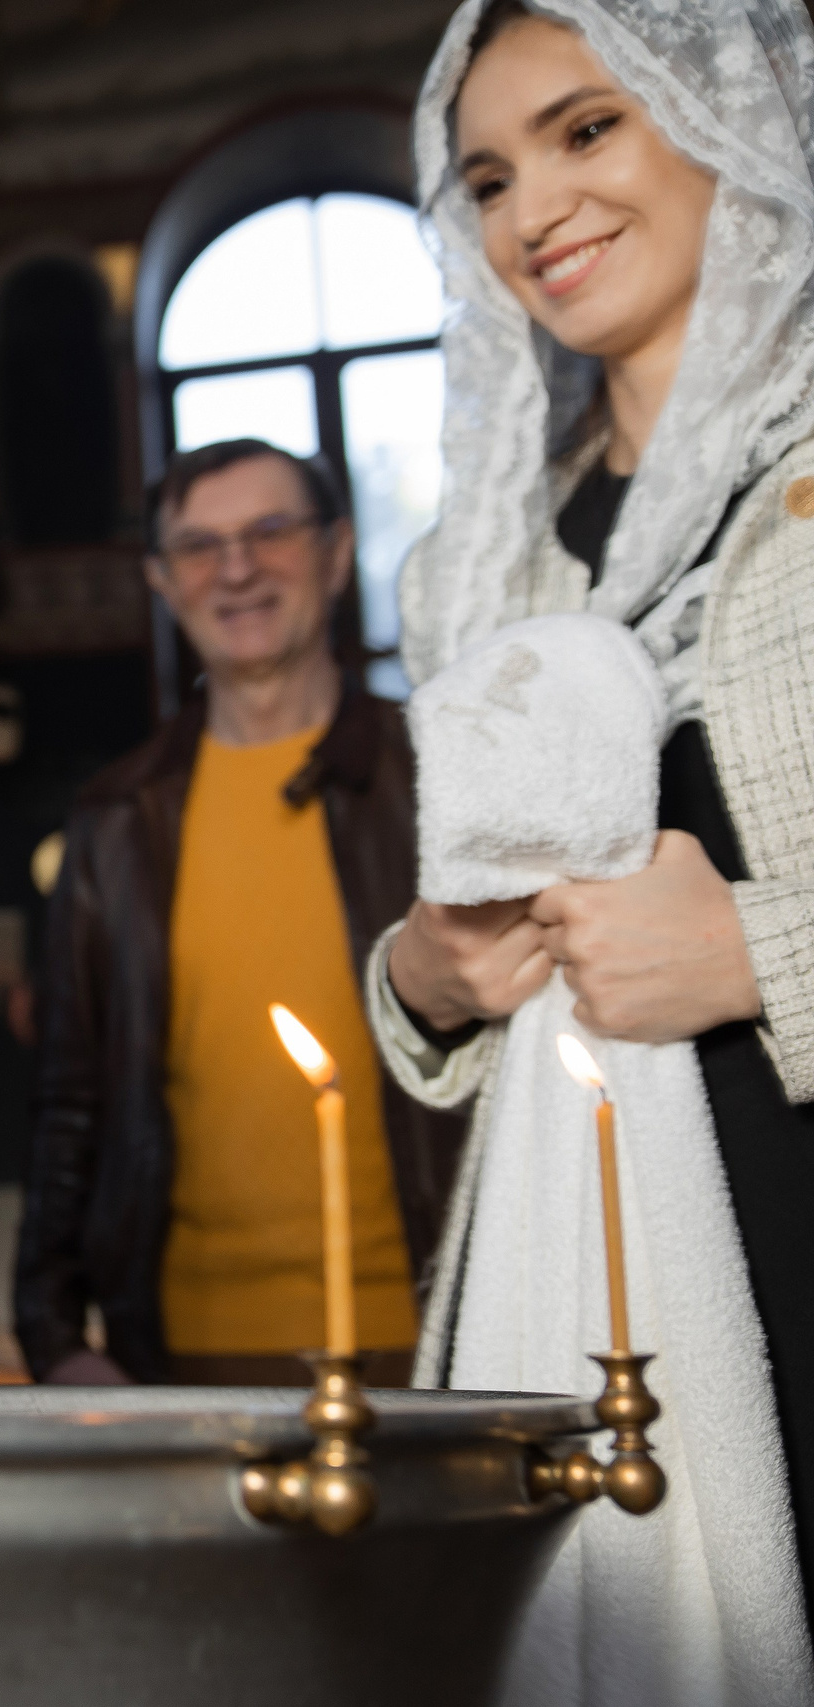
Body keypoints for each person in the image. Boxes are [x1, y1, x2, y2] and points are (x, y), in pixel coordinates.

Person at [379, 1, 814, 1696]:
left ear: (732, 114)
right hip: (594, 1281)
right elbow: (470, 948)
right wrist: (424, 974)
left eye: (584, 131)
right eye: (484, 176)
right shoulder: (508, 543)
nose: (529, 211)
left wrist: (756, 957)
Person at [14, 438, 465, 1387]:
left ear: (337, 552)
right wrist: (53, 1336)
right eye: (199, 545)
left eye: (271, 532)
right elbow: (71, 1093)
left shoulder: (438, 775)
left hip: (433, 1329)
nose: (237, 569)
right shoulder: (119, 817)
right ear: (163, 580)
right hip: (188, 1347)